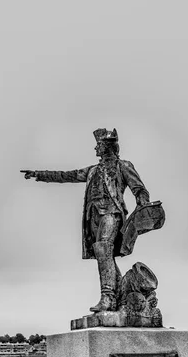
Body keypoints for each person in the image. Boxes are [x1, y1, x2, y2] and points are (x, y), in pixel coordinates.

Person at [21, 128, 151, 312]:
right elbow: (66, 175)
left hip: (112, 213)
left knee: (104, 248)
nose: (95, 148)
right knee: (103, 254)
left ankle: (108, 297)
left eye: (98, 145)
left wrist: (143, 201)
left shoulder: (123, 165)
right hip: (94, 217)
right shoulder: (92, 171)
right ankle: (120, 294)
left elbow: (139, 188)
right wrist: (38, 174)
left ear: (107, 147)